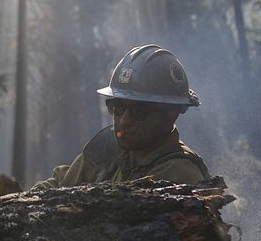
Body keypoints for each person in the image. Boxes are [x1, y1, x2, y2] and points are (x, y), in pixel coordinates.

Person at [32, 45, 210, 190]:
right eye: (118, 108)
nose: (123, 121)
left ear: (169, 116)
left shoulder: (178, 173)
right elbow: (61, 183)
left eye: (139, 113)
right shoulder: (110, 145)